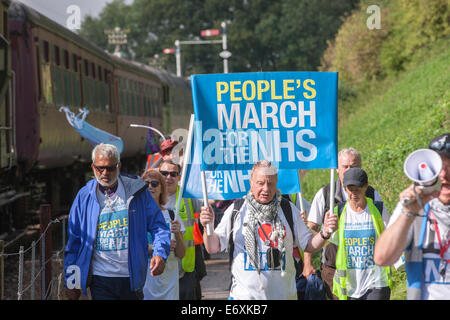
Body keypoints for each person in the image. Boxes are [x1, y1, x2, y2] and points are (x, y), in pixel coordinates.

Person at [199, 160, 338, 300]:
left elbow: (308, 244)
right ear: (251, 182)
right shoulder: (237, 210)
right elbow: (212, 247)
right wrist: (207, 227)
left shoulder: (288, 209)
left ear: (276, 183)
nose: (266, 188)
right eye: (260, 183)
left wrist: (324, 233)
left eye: (270, 183)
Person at [64, 143, 171, 300]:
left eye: (110, 168)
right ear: (93, 167)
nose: (105, 173)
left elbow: (159, 226)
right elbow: (74, 241)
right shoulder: (84, 196)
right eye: (100, 168)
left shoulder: (137, 192)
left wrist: (160, 253)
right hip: (100, 279)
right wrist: (71, 281)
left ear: (119, 165)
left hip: (131, 278)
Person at [374, 133, 450, 300]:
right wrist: (408, 212)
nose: (444, 175)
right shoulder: (414, 207)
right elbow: (382, 257)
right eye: (440, 168)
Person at [304, 147, 384, 299]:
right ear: (337, 168)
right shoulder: (325, 194)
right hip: (334, 269)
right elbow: (310, 229)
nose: (349, 170)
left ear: (360, 168)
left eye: (353, 166)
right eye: (345, 166)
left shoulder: (372, 194)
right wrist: (308, 263)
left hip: (367, 269)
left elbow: (385, 227)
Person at [329, 168, 391, 300]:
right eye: (350, 189)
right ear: (345, 188)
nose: (354, 193)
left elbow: (391, 237)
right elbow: (325, 242)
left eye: (358, 188)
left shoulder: (378, 209)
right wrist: (327, 230)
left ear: (366, 187)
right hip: (351, 284)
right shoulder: (338, 212)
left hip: (377, 281)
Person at [158, 160, 206, 300]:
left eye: (173, 174)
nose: (168, 177)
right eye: (164, 173)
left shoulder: (187, 196)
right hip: (160, 268)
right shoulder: (151, 196)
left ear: (179, 177)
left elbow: (207, 205)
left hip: (184, 268)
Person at [141, 169, 185, 300]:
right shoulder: (136, 215)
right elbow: (132, 249)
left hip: (169, 281)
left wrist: (177, 234)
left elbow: (181, 254)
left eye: (154, 183)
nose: (150, 187)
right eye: (146, 184)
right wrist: (159, 246)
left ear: (162, 189)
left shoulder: (172, 215)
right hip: (146, 281)